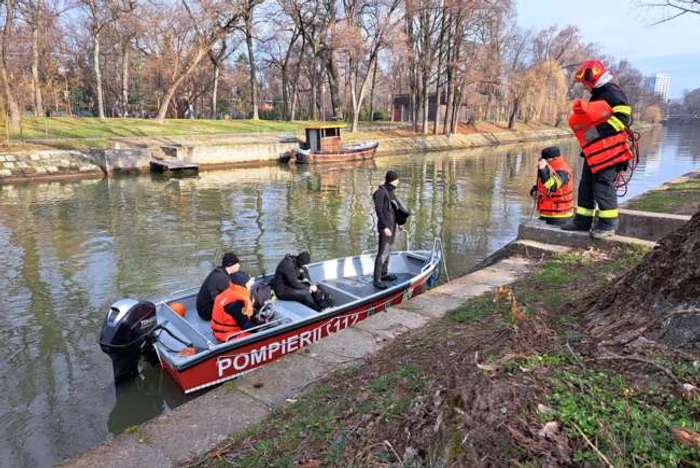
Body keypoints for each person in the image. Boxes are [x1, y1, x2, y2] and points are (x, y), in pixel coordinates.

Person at [562, 59, 634, 238]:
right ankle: (582, 222)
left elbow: (623, 118)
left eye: (585, 83)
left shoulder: (611, 92)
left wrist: (596, 133)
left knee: (603, 186)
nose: (584, 87)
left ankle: (607, 225)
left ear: (592, 77)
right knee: (585, 185)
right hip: (595, 152)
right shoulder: (599, 93)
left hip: (609, 152)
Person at [529, 146, 574, 225]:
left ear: (554, 158)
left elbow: (552, 186)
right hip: (546, 213)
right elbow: (540, 185)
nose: (544, 161)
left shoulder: (563, 171)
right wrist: (534, 191)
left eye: (546, 159)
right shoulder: (549, 168)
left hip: (560, 216)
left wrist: (542, 170)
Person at [372, 170, 402, 289]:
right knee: (382, 252)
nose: (398, 181)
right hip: (385, 227)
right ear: (392, 180)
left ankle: (384, 274)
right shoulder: (380, 193)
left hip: (392, 226)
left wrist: (400, 222)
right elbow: (379, 212)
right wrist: (384, 227)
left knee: (388, 251)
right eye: (397, 179)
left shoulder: (391, 192)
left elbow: (394, 210)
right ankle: (377, 279)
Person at [211, 271, 256, 342]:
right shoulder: (236, 304)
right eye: (249, 286)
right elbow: (246, 326)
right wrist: (263, 328)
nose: (251, 287)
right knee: (257, 334)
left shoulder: (228, 293)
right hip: (229, 335)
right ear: (242, 287)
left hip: (221, 332)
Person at [195, 252, 240, 320]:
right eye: (237, 264)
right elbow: (230, 298)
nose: (239, 265)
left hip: (201, 308)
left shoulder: (219, 272)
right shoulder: (223, 278)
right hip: (206, 313)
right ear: (231, 265)